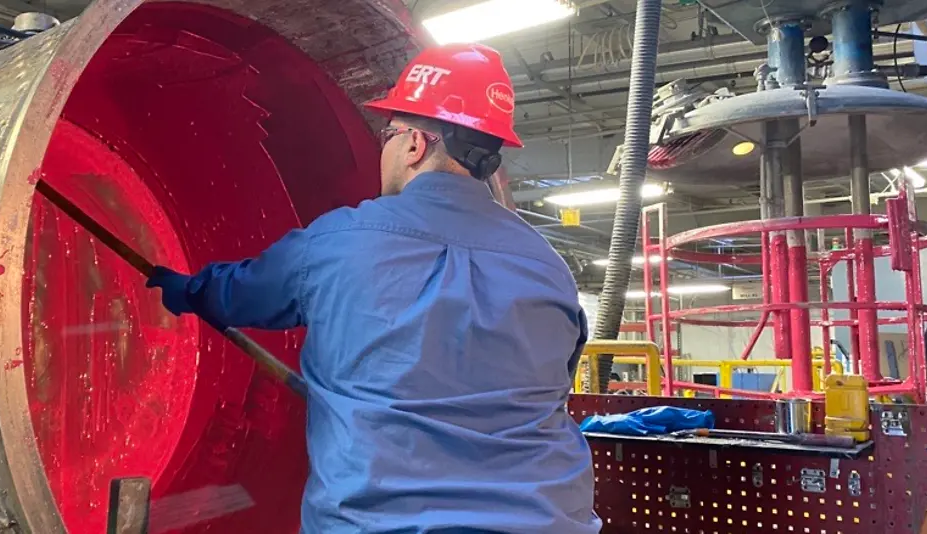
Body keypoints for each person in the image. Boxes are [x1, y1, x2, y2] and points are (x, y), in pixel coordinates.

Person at [147, 43, 600, 534]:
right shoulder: (549, 268)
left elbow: (242, 293)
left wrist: (188, 289)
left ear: (413, 144)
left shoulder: (341, 242)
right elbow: (550, 390)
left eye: (387, 133)